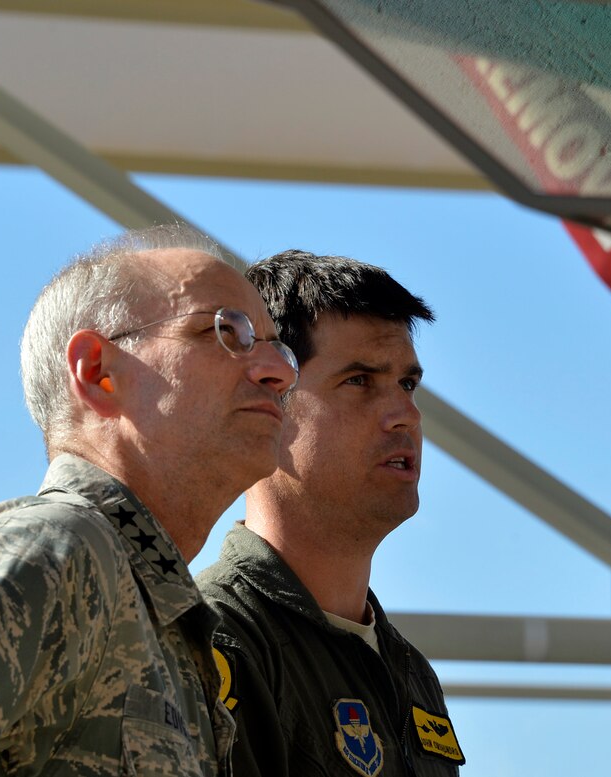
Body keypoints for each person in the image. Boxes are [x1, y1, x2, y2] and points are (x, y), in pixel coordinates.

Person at [0, 225, 299, 775]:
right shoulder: (63, 552)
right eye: (227, 330)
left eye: (278, 349)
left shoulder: (161, 616)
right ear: (97, 372)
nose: (279, 372)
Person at [197, 250, 464, 776]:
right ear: (271, 396)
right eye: (360, 381)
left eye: (408, 384)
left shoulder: (410, 673)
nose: (404, 415)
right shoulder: (218, 642)